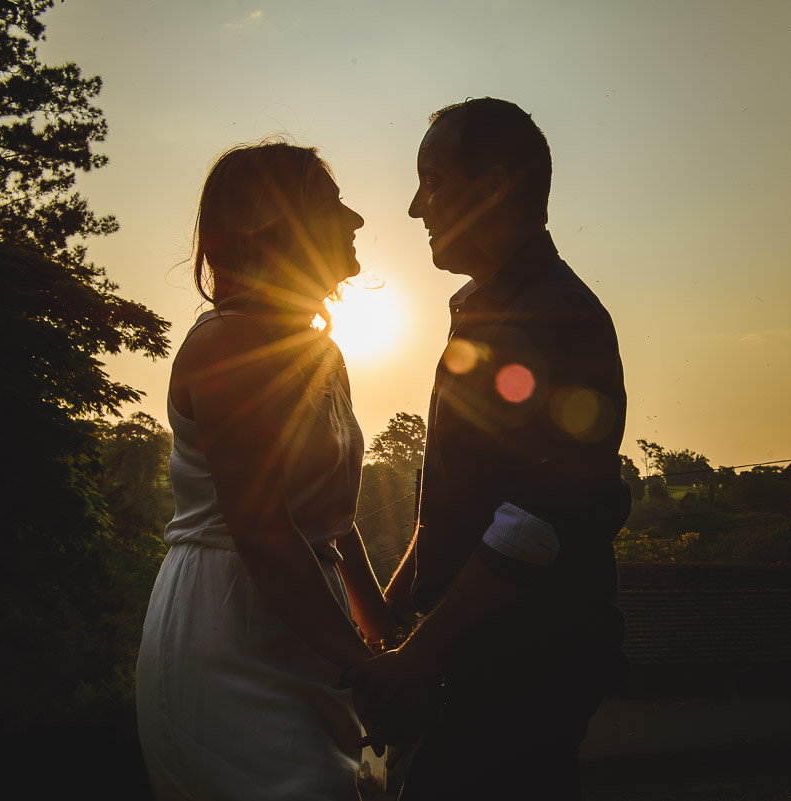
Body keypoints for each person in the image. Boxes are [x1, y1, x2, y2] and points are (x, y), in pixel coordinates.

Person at [343, 98, 631, 800]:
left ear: (496, 185)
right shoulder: (484, 310)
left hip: (523, 675)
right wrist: (392, 620)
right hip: (475, 671)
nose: (416, 206)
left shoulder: (554, 316)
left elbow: (533, 523)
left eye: (432, 179)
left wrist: (418, 657)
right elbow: (451, 508)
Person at [136, 141, 395, 800]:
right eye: (333, 206)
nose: (357, 220)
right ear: (274, 226)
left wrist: (389, 644)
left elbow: (333, 522)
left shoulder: (324, 353)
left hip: (306, 610)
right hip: (231, 617)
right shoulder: (226, 344)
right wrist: (365, 668)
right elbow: (262, 533)